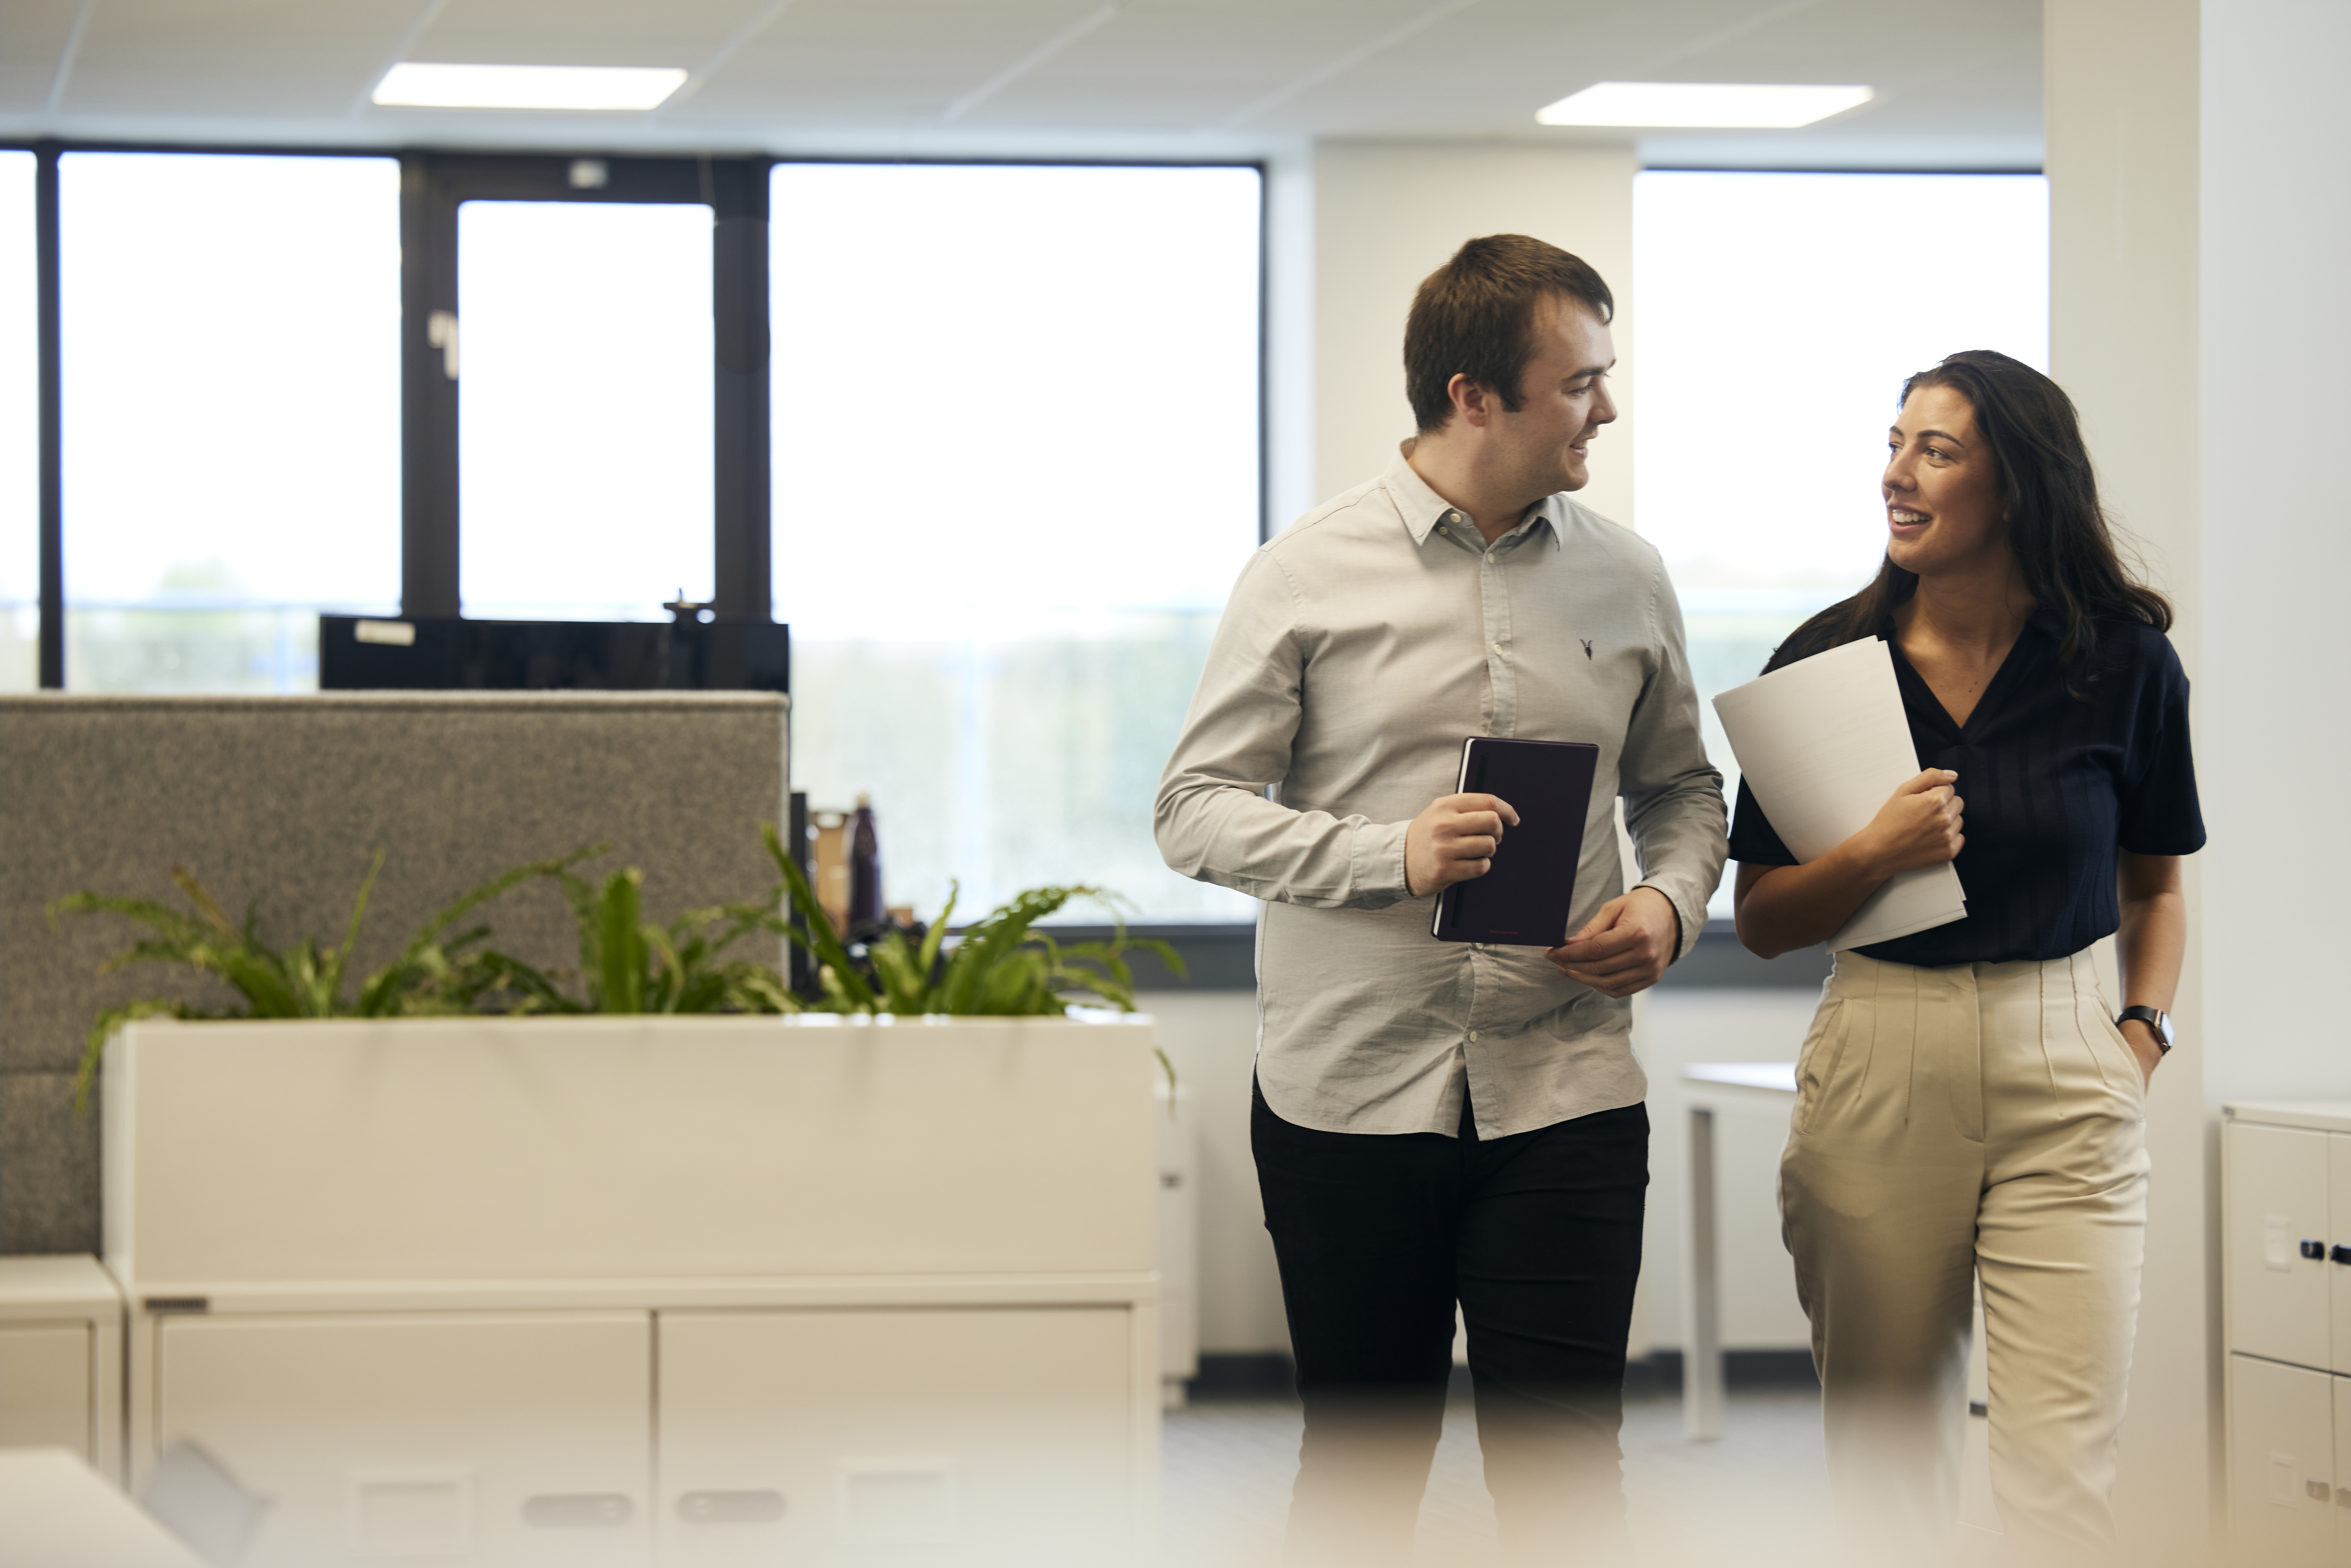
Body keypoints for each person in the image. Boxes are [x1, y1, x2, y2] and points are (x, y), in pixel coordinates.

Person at [1155, 233, 1726, 1565]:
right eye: (1578, 381)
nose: (1607, 408)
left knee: (1568, 1477)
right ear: (1473, 395)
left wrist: (1669, 907)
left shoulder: (1627, 575)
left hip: (1566, 1089)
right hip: (1347, 1094)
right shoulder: (1300, 573)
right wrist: (1386, 856)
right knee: (1360, 1472)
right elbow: (1190, 809)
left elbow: (1682, 791)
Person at [1728, 350, 2203, 1561]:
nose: (1896, 473)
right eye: (1892, 444)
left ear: (2019, 484)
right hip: (1881, 1048)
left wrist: (2138, 1034)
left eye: (1933, 450)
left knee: (2061, 1472)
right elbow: (1767, 917)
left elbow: (2153, 888)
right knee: (1888, 1471)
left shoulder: (2123, 664)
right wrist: (1872, 853)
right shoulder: (1824, 662)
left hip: (2071, 1056)